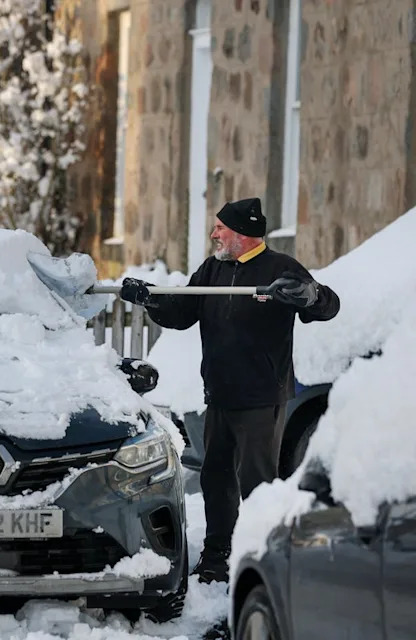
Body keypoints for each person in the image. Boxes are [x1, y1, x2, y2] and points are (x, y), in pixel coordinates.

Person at [120, 197, 340, 584]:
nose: (213, 234)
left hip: (261, 396)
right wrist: (150, 297)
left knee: (257, 480)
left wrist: (308, 294)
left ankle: (263, 552)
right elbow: (181, 313)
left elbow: (327, 306)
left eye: (220, 228)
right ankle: (218, 553)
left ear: (240, 233)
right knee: (216, 477)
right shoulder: (212, 271)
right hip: (219, 393)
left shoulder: (280, 268)